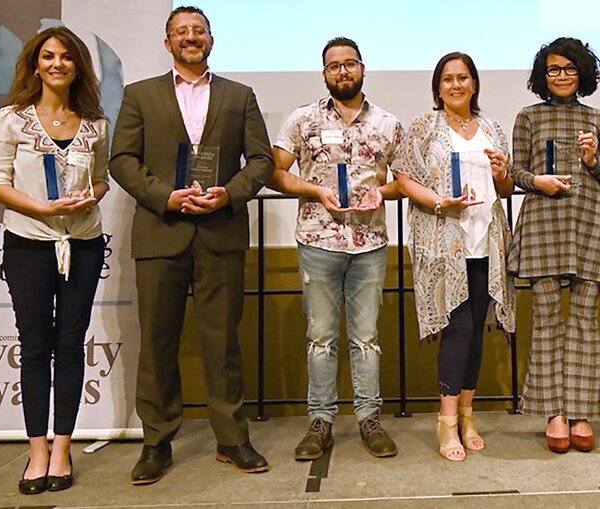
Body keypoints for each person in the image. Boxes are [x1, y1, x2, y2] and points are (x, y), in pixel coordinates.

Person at [109, 6, 274, 484]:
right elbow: (121, 160)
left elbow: (260, 160)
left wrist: (230, 193)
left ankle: (232, 439)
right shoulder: (139, 95)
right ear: (167, 43)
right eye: (180, 32)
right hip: (161, 232)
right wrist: (165, 195)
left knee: (222, 344)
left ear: (211, 39)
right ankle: (156, 443)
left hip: (220, 232)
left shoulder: (240, 95)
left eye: (198, 31)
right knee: (158, 343)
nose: (190, 37)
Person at [0, 26, 108, 495]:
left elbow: (101, 180)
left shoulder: (95, 121)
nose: (58, 64)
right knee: (35, 346)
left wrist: (87, 199)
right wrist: (41, 208)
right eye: (48, 56)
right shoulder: (12, 118)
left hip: (83, 244)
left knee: (71, 344)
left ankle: (62, 448)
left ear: (78, 65)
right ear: (35, 65)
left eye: (67, 57)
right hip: (29, 246)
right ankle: (36, 451)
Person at [267, 37, 401, 461]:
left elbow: (405, 179)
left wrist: (383, 193)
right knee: (321, 337)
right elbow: (274, 173)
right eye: (333, 66)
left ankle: (369, 419)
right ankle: (320, 421)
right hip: (318, 241)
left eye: (349, 64)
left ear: (363, 68)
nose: (342, 72)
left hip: (369, 244)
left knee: (366, 338)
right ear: (324, 73)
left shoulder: (386, 123)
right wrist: (313, 190)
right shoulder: (302, 120)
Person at [393, 52, 516, 461]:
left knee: (477, 328)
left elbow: (506, 187)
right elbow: (404, 177)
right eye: (447, 79)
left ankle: (467, 414)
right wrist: (440, 202)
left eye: (463, 78)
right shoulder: (424, 128)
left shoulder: (492, 128)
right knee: (458, 327)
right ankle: (446, 420)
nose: (456, 85)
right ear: (438, 87)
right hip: (444, 242)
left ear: (474, 84)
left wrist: (502, 173)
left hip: (487, 242)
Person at [507, 38, 600, 453]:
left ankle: (580, 411)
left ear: (584, 73)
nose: (561, 76)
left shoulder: (598, 118)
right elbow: (515, 172)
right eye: (554, 70)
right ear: (543, 76)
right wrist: (536, 181)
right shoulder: (528, 118)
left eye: (569, 69)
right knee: (545, 321)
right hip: (541, 225)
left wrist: (593, 162)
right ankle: (552, 412)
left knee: (583, 321)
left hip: (588, 225)